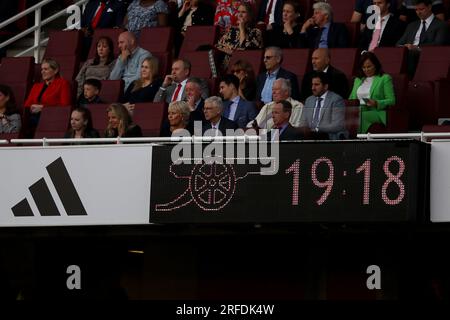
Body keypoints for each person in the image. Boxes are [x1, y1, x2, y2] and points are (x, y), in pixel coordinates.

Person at [396, 0, 449, 77]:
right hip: (408, 55)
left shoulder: (441, 25)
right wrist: (405, 47)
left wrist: (417, 48)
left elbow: (438, 45)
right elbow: (398, 44)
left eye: (421, 9)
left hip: (427, 57)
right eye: (416, 10)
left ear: (429, 7)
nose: (418, 12)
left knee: (410, 54)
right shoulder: (411, 25)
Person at [349, 52, 395, 133]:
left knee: (360, 117)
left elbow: (392, 101)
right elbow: (351, 99)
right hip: (360, 110)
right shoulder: (358, 80)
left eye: (369, 66)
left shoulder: (384, 78)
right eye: (364, 67)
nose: (366, 70)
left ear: (376, 65)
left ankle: (356, 142)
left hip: (377, 112)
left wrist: (376, 103)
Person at [24, 58, 71, 132]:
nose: (42, 72)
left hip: (52, 117)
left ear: (55, 71)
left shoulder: (63, 83)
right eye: (42, 69)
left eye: (45, 69)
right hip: (33, 116)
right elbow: (27, 104)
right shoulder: (36, 86)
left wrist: (43, 108)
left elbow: (65, 105)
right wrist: (32, 107)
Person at [299, 71, 347, 140]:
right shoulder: (309, 100)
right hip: (310, 137)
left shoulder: (336, 100)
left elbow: (337, 125)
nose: (313, 88)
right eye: (312, 85)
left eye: (316, 85)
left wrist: (317, 128)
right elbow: (303, 122)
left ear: (325, 86)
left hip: (328, 136)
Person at [216, 3, 263, 69]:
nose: (240, 15)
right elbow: (218, 46)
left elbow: (244, 51)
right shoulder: (231, 30)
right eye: (239, 12)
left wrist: (241, 28)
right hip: (224, 65)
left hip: (242, 67)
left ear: (250, 15)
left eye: (243, 12)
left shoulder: (255, 32)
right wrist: (231, 51)